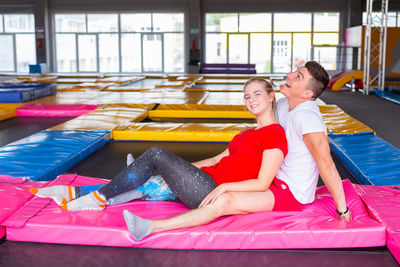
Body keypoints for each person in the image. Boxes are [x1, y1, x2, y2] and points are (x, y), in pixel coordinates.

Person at [31, 78, 300, 240]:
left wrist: (223, 187)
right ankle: (72, 192)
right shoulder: (247, 132)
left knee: (157, 154)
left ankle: (95, 199)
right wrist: (181, 170)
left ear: (271, 96)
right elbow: (218, 158)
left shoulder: (274, 134)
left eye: (256, 95)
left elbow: (263, 182)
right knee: (143, 185)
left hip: (209, 191)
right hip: (205, 180)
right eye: (246, 96)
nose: (250, 100)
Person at [121, 61, 352, 241]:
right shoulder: (283, 104)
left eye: (299, 76)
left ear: (307, 94)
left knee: (225, 200)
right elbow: (265, 123)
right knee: (215, 170)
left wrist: (342, 210)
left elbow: (326, 163)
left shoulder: (308, 117)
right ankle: (148, 176)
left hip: (290, 192)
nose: (290, 75)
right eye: (295, 71)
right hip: (272, 175)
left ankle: (151, 227)